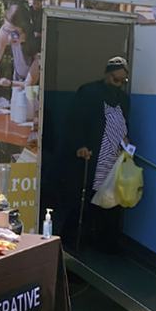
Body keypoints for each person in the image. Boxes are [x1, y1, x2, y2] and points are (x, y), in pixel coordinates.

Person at [58, 56, 130, 251]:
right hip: (91, 154)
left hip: (113, 156)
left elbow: (124, 123)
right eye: (116, 80)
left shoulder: (123, 98)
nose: (118, 85)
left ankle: (105, 242)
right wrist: (79, 145)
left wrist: (126, 141)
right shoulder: (88, 92)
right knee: (83, 199)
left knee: (110, 200)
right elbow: (74, 121)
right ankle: (71, 240)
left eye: (123, 81)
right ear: (107, 75)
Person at [0, 0, 40, 88]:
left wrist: (7, 83)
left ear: (25, 31)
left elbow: (29, 84)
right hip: (17, 79)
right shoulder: (5, 31)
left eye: (14, 33)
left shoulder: (37, 44)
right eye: (6, 30)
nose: (9, 38)